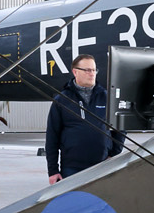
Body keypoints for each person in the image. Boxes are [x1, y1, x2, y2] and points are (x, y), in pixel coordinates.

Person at [45, 53, 123, 184]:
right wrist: (53, 170)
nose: (92, 73)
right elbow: (52, 137)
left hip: (102, 165)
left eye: (94, 70)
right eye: (87, 70)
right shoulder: (62, 100)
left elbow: (120, 128)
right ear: (75, 72)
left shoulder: (107, 97)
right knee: (75, 203)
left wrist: (113, 154)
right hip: (71, 168)